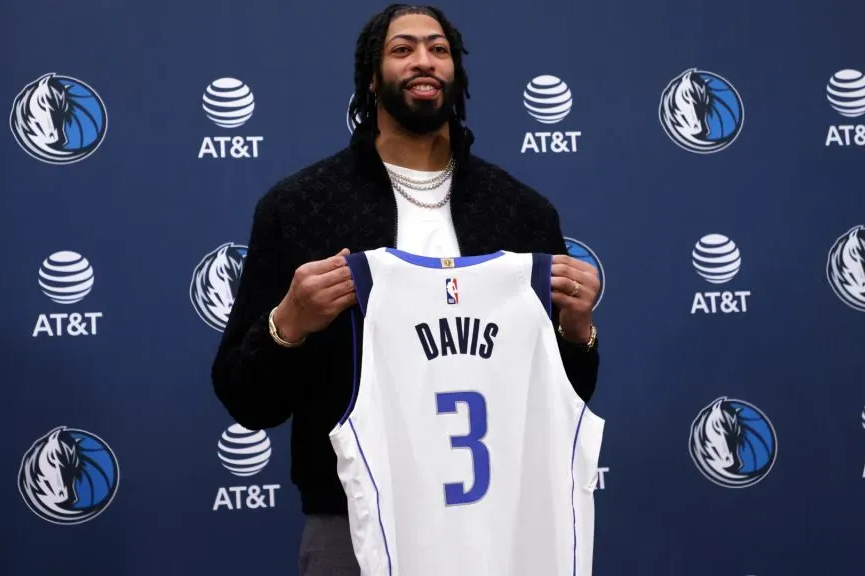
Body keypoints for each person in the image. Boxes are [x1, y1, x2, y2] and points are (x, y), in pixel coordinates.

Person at [211, 4, 602, 575]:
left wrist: (579, 332)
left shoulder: (520, 212)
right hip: (354, 524)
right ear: (371, 76)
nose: (424, 60)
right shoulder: (299, 208)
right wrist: (287, 324)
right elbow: (245, 400)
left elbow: (565, 395)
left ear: (456, 71)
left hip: (500, 524)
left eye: (438, 49)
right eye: (403, 49)